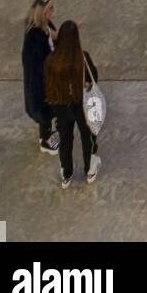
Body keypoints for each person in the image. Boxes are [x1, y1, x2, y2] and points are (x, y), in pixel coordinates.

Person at [44, 20, 101, 189]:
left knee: (65, 138)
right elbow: (93, 78)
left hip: (60, 105)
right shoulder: (82, 58)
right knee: (87, 135)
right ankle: (89, 170)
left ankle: (66, 174)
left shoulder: (51, 60)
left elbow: (46, 83)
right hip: (81, 105)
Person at [22, 0, 59, 154]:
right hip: (40, 83)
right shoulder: (33, 38)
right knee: (45, 112)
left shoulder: (46, 27)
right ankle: (46, 141)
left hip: (49, 79)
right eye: (50, 9)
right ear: (42, 14)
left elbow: (54, 37)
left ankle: (46, 134)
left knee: (49, 110)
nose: (53, 11)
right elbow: (35, 65)